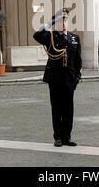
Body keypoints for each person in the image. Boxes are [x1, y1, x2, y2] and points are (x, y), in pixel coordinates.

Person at [33, 8, 82, 147]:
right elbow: (36, 35)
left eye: (65, 20)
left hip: (69, 79)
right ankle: (58, 137)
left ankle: (67, 137)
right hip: (55, 79)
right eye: (60, 21)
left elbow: (78, 60)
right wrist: (49, 23)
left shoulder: (74, 38)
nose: (64, 23)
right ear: (56, 23)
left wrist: (77, 76)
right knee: (57, 108)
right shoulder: (50, 37)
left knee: (69, 109)